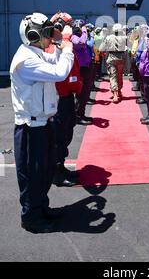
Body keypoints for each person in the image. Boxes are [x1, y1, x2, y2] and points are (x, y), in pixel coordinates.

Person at [10, 13, 74, 233]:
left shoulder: (34, 53)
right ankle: (31, 218)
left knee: (44, 172)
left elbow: (53, 61)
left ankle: (40, 208)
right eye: (45, 33)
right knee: (32, 175)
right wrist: (66, 47)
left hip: (42, 124)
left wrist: (56, 41)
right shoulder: (26, 59)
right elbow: (60, 71)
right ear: (33, 34)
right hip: (30, 128)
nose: (48, 37)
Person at [49, 12, 82, 187]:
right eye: (68, 24)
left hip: (68, 95)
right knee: (59, 136)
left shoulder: (64, 44)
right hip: (58, 98)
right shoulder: (51, 45)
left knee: (67, 133)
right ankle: (56, 173)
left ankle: (61, 166)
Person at [71, 20, 93, 125]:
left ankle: (81, 113)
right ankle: (77, 116)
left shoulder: (81, 36)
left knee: (85, 93)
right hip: (80, 69)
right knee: (81, 93)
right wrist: (84, 30)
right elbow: (82, 42)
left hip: (86, 67)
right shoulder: (74, 37)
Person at [99, 23, 127, 103]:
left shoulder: (108, 37)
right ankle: (120, 91)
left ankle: (115, 94)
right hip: (121, 57)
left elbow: (101, 48)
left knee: (113, 76)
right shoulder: (124, 37)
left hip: (111, 57)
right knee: (119, 75)